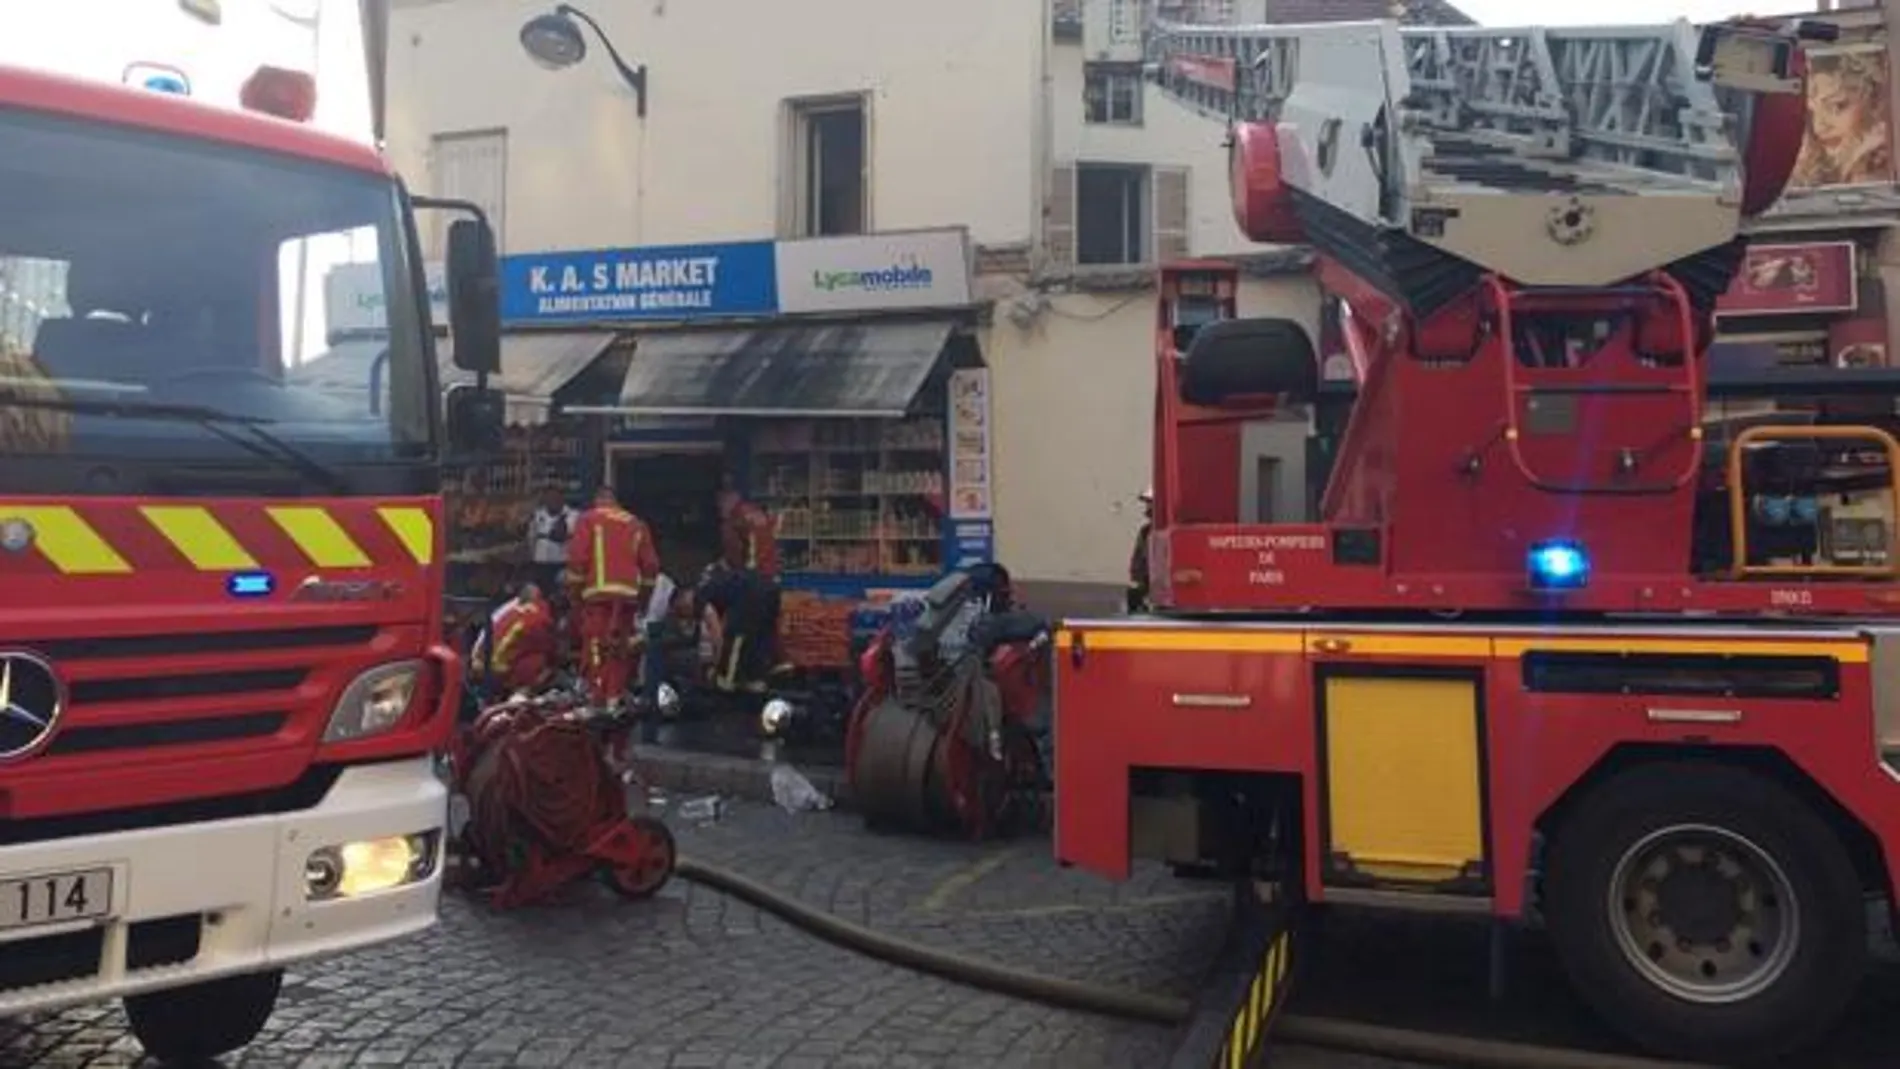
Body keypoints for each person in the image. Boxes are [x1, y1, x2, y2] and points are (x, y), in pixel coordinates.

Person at [565, 486, 661, 709]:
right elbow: (650, 567)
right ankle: (614, 697)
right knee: (620, 647)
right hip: (627, 598)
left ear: (598, 501)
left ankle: (597, 697)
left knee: (596, 645)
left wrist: (575, 597)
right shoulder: (636, 524)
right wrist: (643, 600)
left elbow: (578, 560)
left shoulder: (588, 520)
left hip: (597, 597)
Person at [695, 560, 783, 693]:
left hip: (741, 630)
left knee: (727, 681)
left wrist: (716, 667)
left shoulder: (706, 596)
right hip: (760, 637)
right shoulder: (763, 584)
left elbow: (715, 628)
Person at [471, 583, 556, 698]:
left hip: (483, 666)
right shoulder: (537, 616)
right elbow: (548, 647)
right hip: (502, 672)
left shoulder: (507, 612)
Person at [717, 486, 780, 579]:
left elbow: (734, 546)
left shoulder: (737, 515)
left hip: (754, 568)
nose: (721, 505)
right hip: (766, 567)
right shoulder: (758, 513)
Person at [528, 485, 579, 597]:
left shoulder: (572, 515)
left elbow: (560, 535)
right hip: (540, 564)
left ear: (562, 499)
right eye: (549, 498)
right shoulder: (538, 514)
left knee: (560, 596)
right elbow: (529, 536)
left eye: (556, 498)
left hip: (561, 564)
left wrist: (559, 522)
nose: (552, 501)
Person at [1126, 486, 1153, 613]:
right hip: (1150, 596)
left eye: (1150, 503)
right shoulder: (1146, 532)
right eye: (1147, 503)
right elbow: (1137, 565)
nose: (1147, 508)